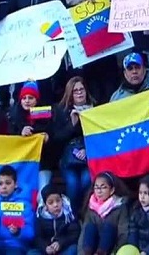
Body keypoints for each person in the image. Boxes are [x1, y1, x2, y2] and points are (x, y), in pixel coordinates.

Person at [9, 81, 57, 200]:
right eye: (24, 98)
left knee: (41, 196)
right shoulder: (14, 117)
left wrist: (47, 138)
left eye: (31, 98)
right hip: (22, 165)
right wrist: (20, 134)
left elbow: (57, 139)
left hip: (43, 165)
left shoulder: (47, 116)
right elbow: (8, 141)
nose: (27, 101)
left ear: (37, 100)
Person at [56, 77, 95, 213]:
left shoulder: (95, 108)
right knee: (73, 184)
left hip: (88, 157)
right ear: (70, 94)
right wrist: (72, 124)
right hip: (68, 159)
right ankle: (72, 215)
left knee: (85, 180)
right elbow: (57, 139)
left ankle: (83, 213)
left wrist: (87, 149)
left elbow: (99, 134)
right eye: (75, 91)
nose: (79, 93)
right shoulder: (62, 111)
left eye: (81, 89)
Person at [0, 165, 35, 254]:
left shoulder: (25, 205)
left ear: (15, 184)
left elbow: (31, 233)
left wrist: (18, 232)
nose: (4, 187)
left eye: (8, 183)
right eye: (0, 183)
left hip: (16, 247)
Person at [78, 172, 130, 255]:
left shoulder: (120, 207)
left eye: (103, 187)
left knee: (108, 227)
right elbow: (84, 233)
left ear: (112, 190)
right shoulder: (91, 206)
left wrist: (116, 252)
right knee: (90, 227)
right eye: (96, 187)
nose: (99, 191)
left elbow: (123, 233)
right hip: (91, 249)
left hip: (110, 249)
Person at [33, 184, 79, 255]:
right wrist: (46, 248)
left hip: (63, 248)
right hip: (46, 249)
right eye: (51, 203)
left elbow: (74, 234)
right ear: (45, 205)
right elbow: (38, 238)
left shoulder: (69, 214)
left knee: (73, 249)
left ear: (62, 200)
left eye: (58, 201)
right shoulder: (40, 216)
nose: (55, 205)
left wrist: (60, 243)